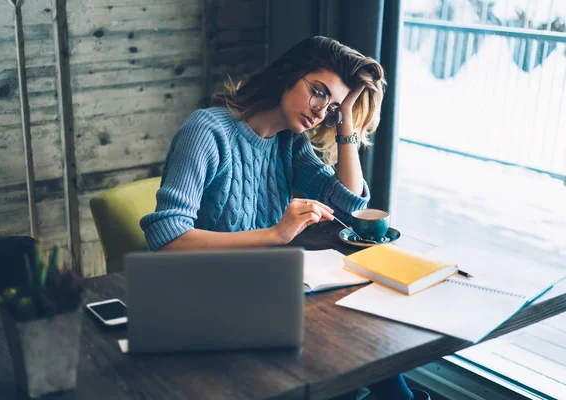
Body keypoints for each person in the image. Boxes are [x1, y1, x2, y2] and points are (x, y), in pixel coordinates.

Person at [141, 36, 430, 400]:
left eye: (333, 106)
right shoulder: (207, 131)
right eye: (318, 92)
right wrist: (275, 234)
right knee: (350, 359)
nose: (321, 110)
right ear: (288, 74)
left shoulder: (288, 142)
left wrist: (347, 124)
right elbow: (167, 240)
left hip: (263, 292)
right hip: (205, 302)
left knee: (372, 349)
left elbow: (351, 207)